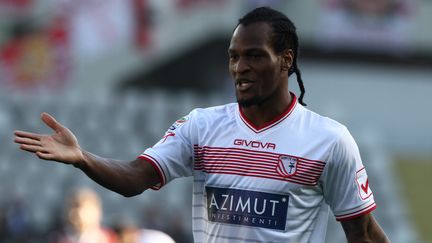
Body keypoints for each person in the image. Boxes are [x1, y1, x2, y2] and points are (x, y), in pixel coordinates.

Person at [14, 7, 389, 243]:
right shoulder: (201, 126)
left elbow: (364, 234)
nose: (240, 68)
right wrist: (83, 158)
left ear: (286, 60)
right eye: (234, 57)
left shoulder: (329, 140)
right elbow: (134, 177)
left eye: (255, 56)